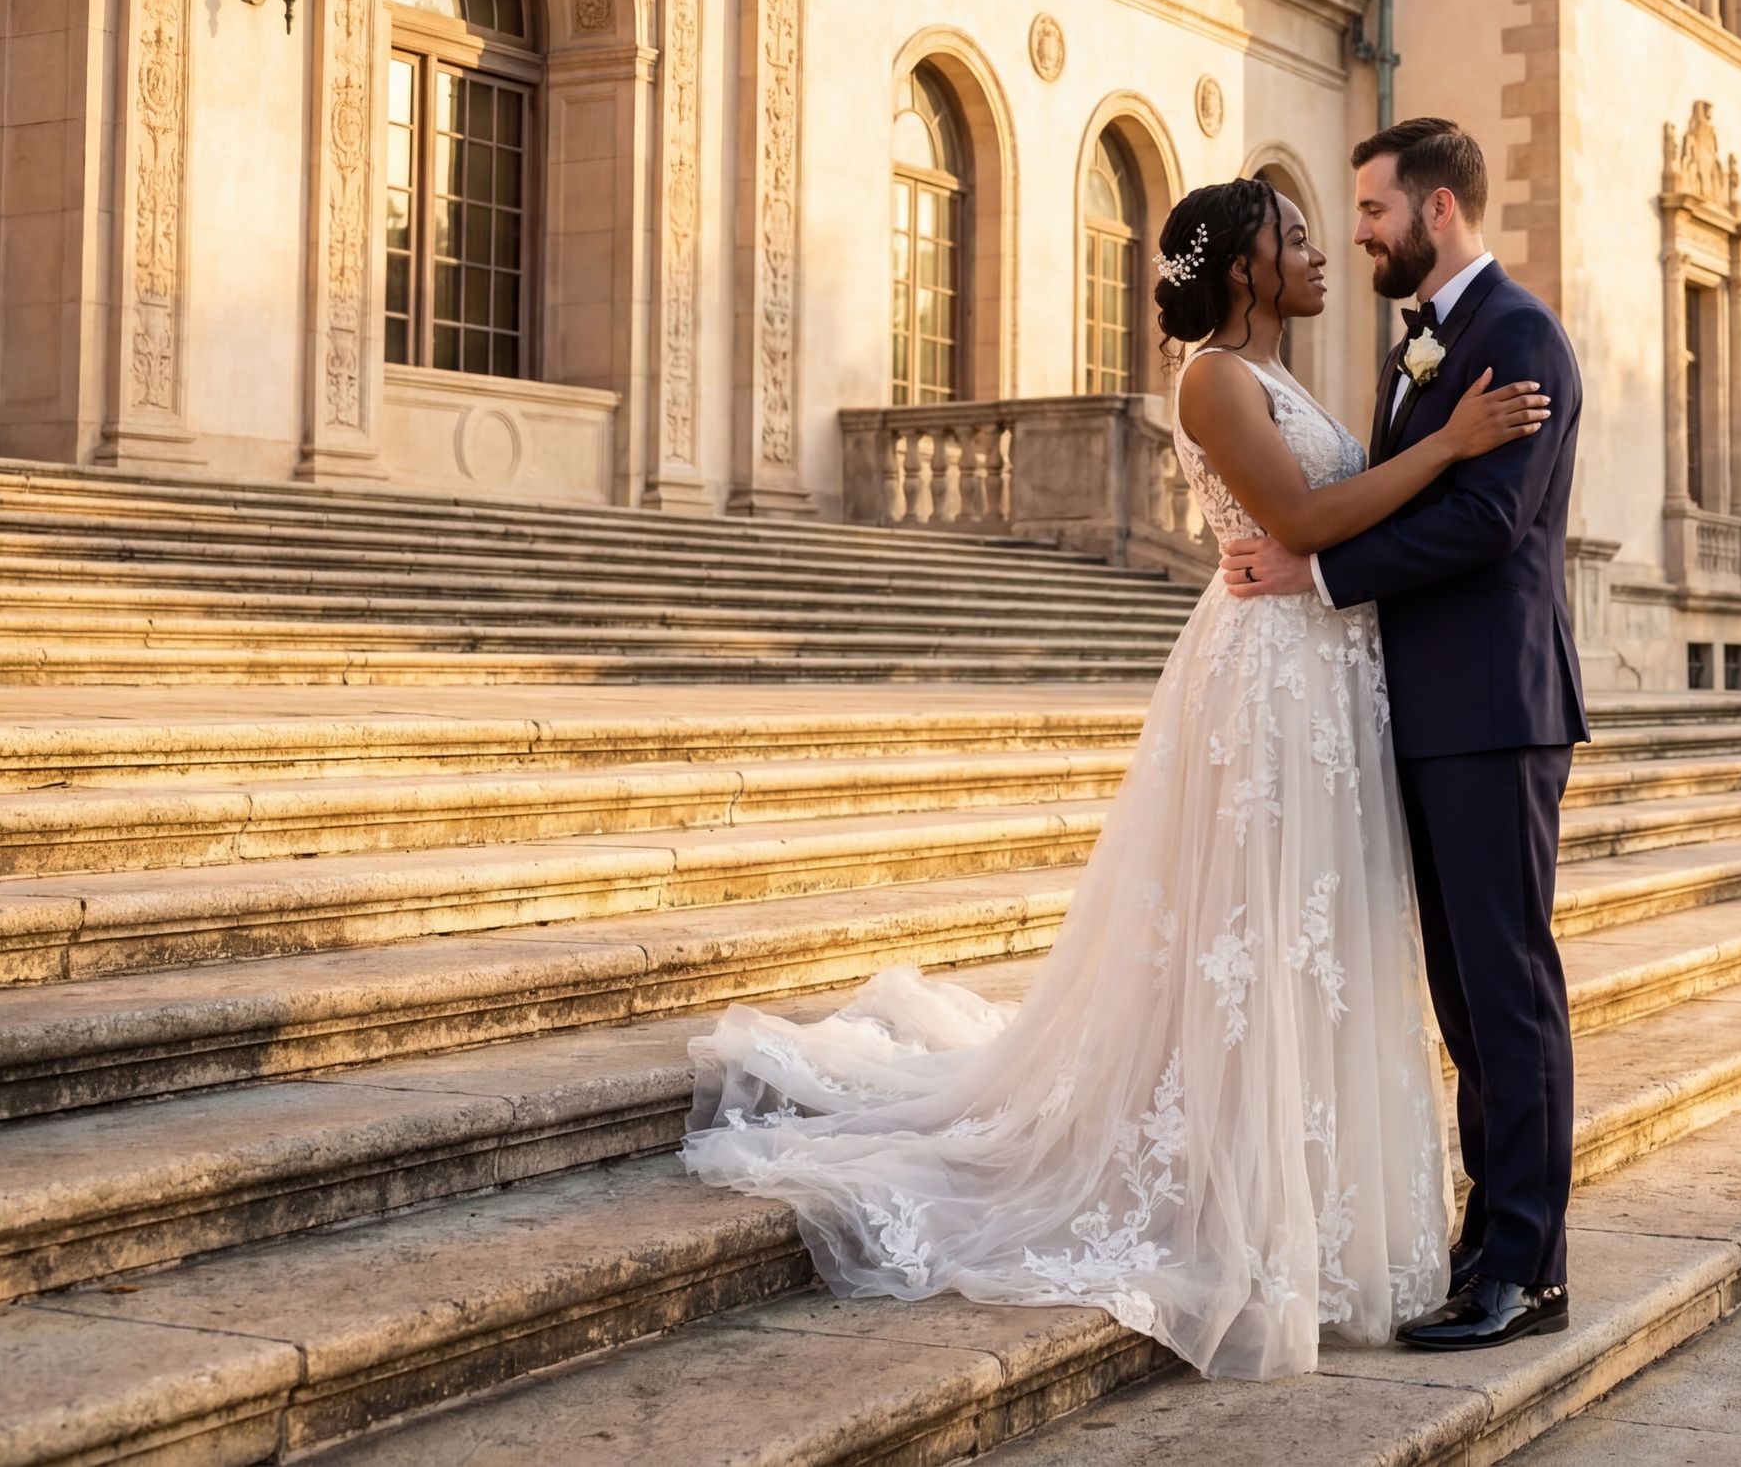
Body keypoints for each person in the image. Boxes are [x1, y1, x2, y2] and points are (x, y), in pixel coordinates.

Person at [681, 174, 1551, 1380]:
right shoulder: (1213, 378)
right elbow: (1303, 519)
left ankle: (1319, 1196)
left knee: (1316, 935)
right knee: (1258, 929)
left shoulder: (1286, 374)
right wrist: (1452, 443)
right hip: (1267, 677)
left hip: (1328, 677)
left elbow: (1335, 521)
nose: (1320, 254)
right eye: (1296, 238)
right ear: (1243, 267)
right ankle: (1238, 1193)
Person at [1219, 117, 1588, 1352]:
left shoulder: (1517, 334)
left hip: (1494, 710)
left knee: (1509, 990)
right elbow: (1397, 494)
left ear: (1437, 208)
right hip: (1424, 712)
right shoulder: (1415, 347)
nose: (1360, 232)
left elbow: (1488, 520)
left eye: (1374, 210)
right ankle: (1489, 1243)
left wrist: (1318, 576)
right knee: (1467, 1002)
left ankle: (1528, 1270)